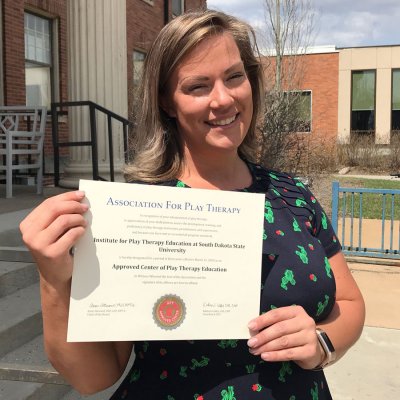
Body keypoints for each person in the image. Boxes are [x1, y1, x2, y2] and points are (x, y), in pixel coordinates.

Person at [20, 10, 365, 400]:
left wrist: (321, 342)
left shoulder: (293, 195)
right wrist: (53, 279)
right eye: (198, 86)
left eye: (234, 77)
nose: (223, 99)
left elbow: (349, 302)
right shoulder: (136, 214)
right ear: (168, 102)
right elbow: (94, 376)